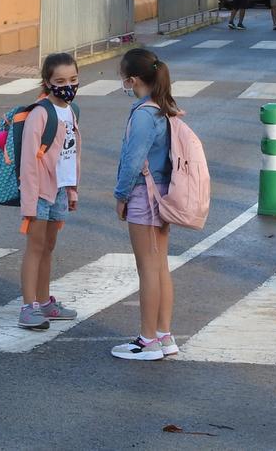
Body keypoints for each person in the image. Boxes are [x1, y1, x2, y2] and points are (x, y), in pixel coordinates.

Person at [112, 48, 177, 361]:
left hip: (144, 195)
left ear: (133, 79)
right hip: (162, 192)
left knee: (148, 269)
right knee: (160, 266)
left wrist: (121, 195)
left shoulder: (143, 114)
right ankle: (163, 334)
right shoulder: (163, 107)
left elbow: (133, 160)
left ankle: (147, 340)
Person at [17, 53, 81, 330]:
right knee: (35, 247)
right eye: (61, 81)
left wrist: (72, 191)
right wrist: (29, 204)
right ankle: (28, 306)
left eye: (73, 79)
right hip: (39, 193)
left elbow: (72, 154)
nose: (68, 85)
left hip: (59, 190)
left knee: (49, 247)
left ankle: (45, 302)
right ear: (47, 82)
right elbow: (29, 162)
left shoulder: (72, 111)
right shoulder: (41, 113)